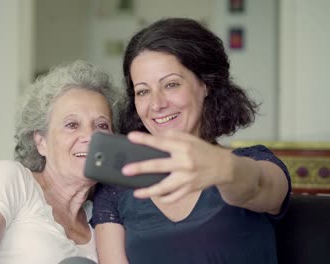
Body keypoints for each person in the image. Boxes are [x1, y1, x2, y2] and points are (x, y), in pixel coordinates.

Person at [90, 18, 291, 264]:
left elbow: (257, 186)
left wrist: (223, 169)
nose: (156, 104)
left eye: (171, 84)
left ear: (205, 84)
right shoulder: (116, 188)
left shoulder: (256, 162)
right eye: (142, 91)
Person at [0, 60, 122, 264]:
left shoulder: (101, 218)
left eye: (101, 125)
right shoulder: (12, 179)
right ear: (40, 141)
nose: (90, 136)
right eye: (72, 125)